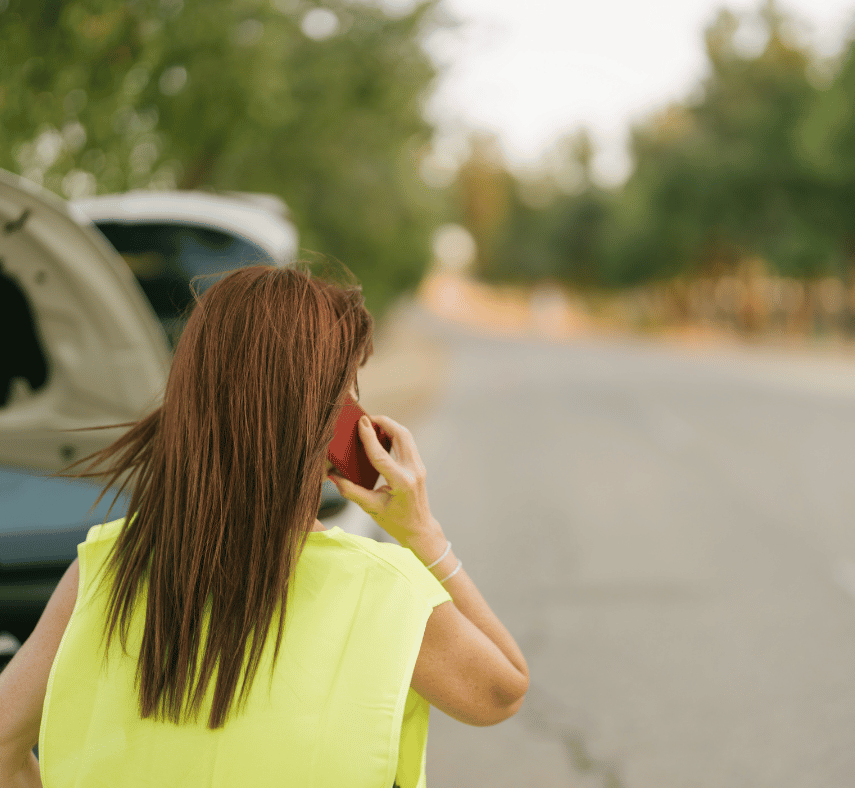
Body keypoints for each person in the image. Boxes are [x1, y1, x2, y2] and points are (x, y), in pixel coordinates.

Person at [0, 263, 528, 788]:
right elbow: (502, 691)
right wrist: (421, 532)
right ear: (328, 427)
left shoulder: (103, 572)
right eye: (346, 393)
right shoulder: (386, 591)